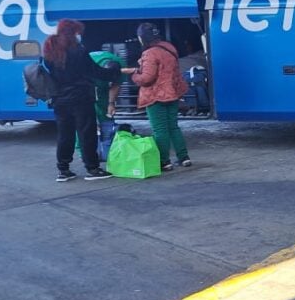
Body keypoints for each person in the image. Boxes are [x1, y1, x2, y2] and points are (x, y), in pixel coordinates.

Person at [44, 19, 121, 181]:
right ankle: (92, 169)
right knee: (87, 133)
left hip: (59, 100)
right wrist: (114, 70)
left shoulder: (50, 50)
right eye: (78, 33)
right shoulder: (78, 50)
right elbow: (95, 71)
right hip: (81, 98)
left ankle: (63, 170)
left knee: (65, 134)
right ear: (73, 33)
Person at [122, 23, 191, 171]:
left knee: (160, 130)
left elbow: (147, 78)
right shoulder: (169, 47)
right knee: (173, 127)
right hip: (172, 93)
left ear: (142, 38)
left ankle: (164, 161)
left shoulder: (150, 53)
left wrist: (134, 74)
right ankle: (184, 158)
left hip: (156, 97)